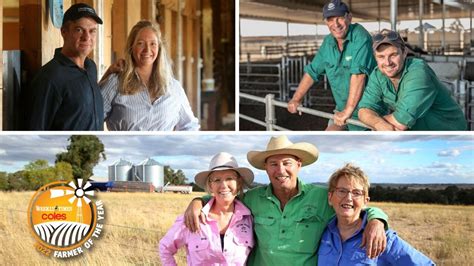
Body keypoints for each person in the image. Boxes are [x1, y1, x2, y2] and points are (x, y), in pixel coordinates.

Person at [184, 136, 389, 265]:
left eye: (286, 163)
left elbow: (354, 205)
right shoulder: (253, 199)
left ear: (299, 165)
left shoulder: (320, 197)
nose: (280, 170)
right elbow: (224, 199)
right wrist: (198, 201)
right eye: (273, 163)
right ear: (266, 168)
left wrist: (377, 220)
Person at [318, 163, 435, 265]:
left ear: (365, 201)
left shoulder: (383, 238)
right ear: (330, 197)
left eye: (356, 193)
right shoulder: (323, 233)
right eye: (342, 191)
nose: (348, 198)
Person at [287, 0, 376, 131]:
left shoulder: (360, 35)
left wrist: (348, 110)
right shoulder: (328, 42)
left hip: (369, 110)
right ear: (326, 22)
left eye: (340, 18)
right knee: (329, 136)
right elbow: (312, 72)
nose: (336, 24)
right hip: (341, 110)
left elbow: (358, 75)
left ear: (349, 18)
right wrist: (296, 99)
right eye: (330, 19)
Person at [358, 29, 467, 131]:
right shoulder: (378, 74)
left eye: (393, 55)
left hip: (448, 134)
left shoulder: (418, 71)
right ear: (375, 57)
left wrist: (373, 122)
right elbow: (364, 110)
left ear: (404, 53)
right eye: (381, 56)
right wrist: (378, 124)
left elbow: (400, 122)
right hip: (418, 135)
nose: (387, 62)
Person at [100, 20, 199, 131]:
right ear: (131, 47)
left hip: (163, 148)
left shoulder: (174, 88)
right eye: (140, 43)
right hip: (125, 148)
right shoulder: (115, 83)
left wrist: (178, 147)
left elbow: (190, 126)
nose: (147, 50)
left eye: (153, 44)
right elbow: (92, 120)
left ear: (159, 48)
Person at [159, 152, 254, 265]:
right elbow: (165, 248)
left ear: (238, 183)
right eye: (217, 180)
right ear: (210, 185)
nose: (223, 185)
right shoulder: (193, 218)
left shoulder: (249, 218)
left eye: (229, 178)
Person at [24, 3, 104, 130]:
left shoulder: (91, 67)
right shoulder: (49, 77)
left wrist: (110, 73)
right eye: (79, 30)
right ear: (64, 32)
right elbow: (35, 130)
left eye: (92, 31)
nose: (87, 37)